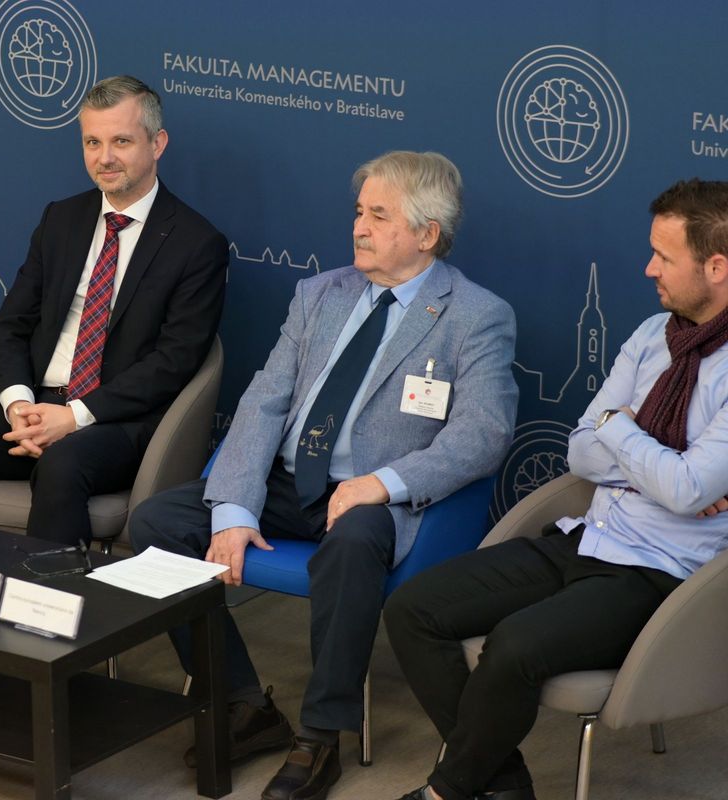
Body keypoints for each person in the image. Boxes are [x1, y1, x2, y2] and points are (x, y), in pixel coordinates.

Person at [130, 151, 518, 800]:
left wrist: (383, 484)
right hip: (290, 483)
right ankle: (242, 704)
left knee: (354, 541)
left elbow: (484, 436)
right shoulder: (319, 294)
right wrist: (234, 510)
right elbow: (263, 403)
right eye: (359, 212)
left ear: (427, 233)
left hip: (377, 499)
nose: (359, 227)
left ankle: (320, 736)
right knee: (157, 523)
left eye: (379, 216)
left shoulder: (474, 316)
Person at [386, 178, 728, 800]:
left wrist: (620, 429)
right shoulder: (653, 334)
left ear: (717, 267)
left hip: (659, 572)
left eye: (664, 256)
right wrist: (659, 462)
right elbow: (581, 451)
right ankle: (501, 785)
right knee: (413, 609)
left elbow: (679, 488)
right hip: (586, 537)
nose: (647, 267)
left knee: (514, 646)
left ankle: (447, 792)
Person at [0, 75, 227, 546]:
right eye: (92, 142)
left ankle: (41, 594)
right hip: (34, 406)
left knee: (61, 463)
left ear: (157, 143)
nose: (105, 158)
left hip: (114, 424)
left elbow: (175, 361)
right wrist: (19, 405)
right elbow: (11, 325)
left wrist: (74, 417)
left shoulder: (197, 243)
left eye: (121, 141)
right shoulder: (62, 219)